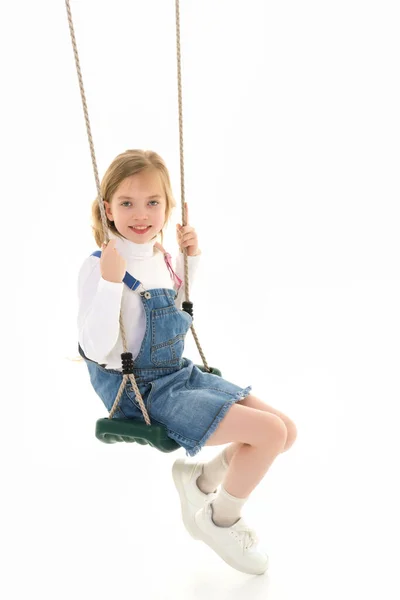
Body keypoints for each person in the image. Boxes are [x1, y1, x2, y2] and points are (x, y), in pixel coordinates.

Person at [77, 149, 297, 575]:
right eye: (126, 203)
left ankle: (200, 482)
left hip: (178, 374)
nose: (140, 214)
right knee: (268, 433)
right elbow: (97, 348)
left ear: (168, 207)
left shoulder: (162, 258)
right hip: (139, 392)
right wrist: (108, 284)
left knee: (285, 432)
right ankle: (220, 521)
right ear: (107, 208)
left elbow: (176, 316)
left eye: (152, 202)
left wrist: (190, 261)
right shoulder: (98, 267)